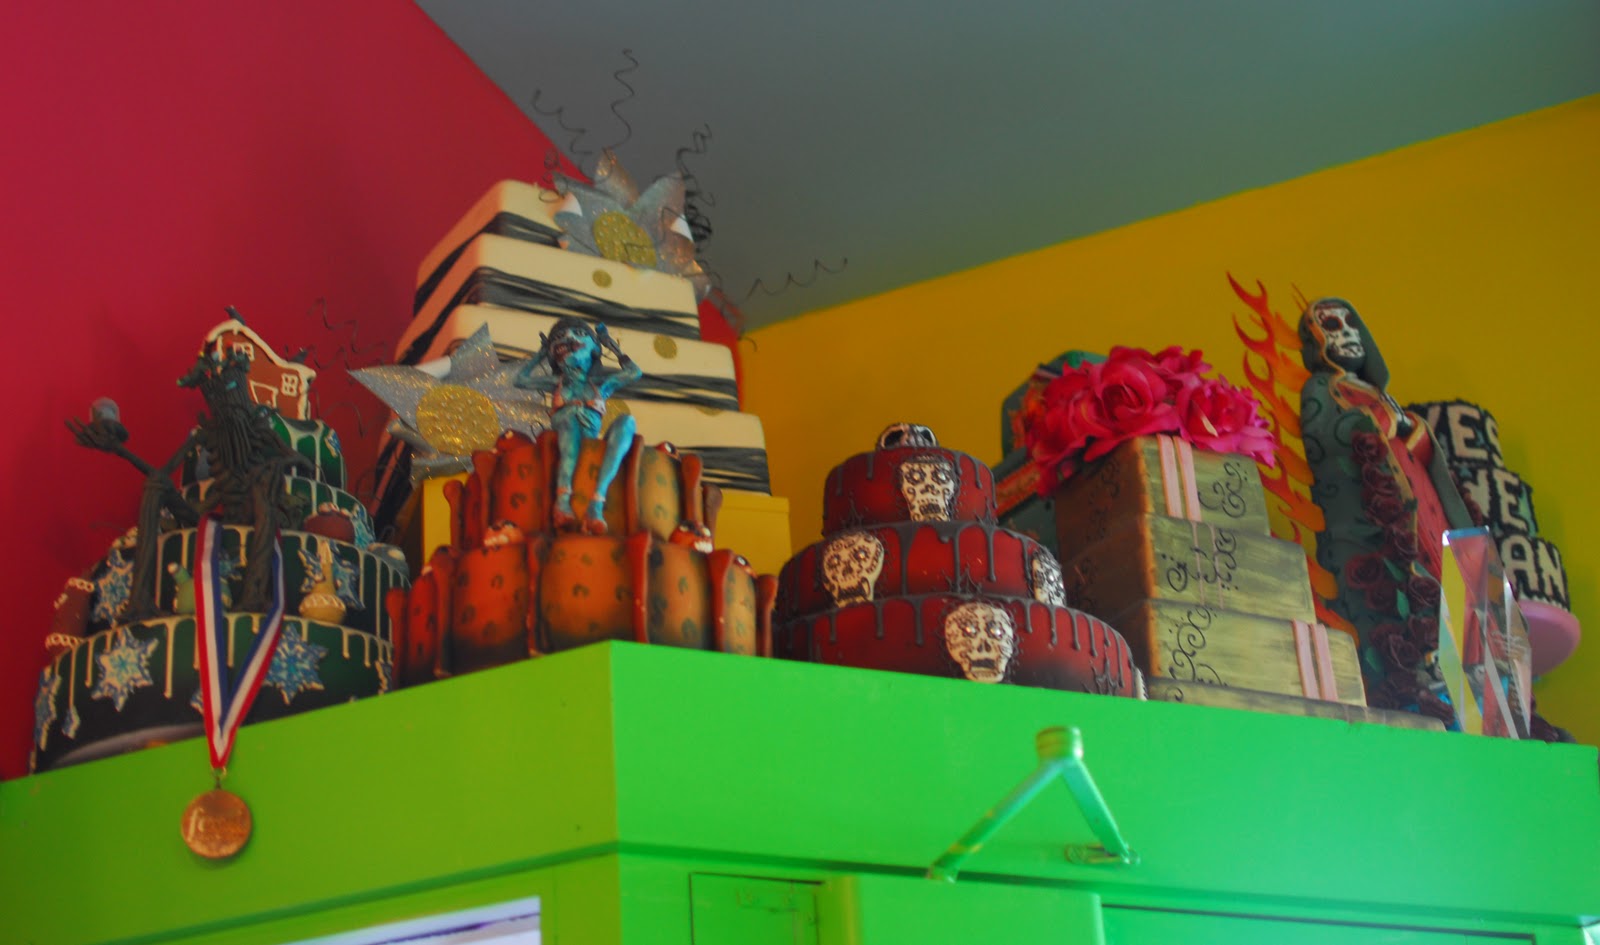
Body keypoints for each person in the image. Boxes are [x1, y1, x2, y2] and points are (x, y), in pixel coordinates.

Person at [1298, 298, 1473, 720]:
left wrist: (1410, 427)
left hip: (1423, 507)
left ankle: (1472, 685)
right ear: (1316, 341)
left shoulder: (1381, 395)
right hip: (1373, 519)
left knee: (1449, 580)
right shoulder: (1322, 389)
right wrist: (1374, 421)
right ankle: (1423, 682)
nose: (1347, 333)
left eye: (1352, 324)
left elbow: (1415, 445)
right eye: (1332, 325)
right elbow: (1324, 436)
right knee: (1399, 595)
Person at [513, 317, 642, 533]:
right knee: (568, 423)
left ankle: (596, 502)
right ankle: (562, 503)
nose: (568, 337)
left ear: (595, 350)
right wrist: (541, 354)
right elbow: (520, 380)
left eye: (579, 334)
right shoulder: (556, 383)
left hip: (591, 433)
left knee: (627, 423)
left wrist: (610, 345)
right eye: (559, 337)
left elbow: (634, 372)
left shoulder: (602, 384)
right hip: (566, 426)